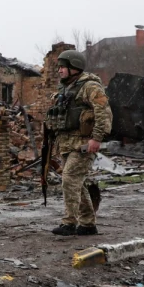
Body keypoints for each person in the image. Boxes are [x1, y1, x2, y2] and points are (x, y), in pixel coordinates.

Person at [44, 50, 112, 236]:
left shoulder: (90, 87)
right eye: (59, 67)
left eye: (63, 67)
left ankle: (69, 222)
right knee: (76, 183)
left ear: (74, 67)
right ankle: (88, 224)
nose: (59, 70)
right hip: (66, 142)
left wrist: (97, 138)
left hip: (83, 142)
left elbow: (103, 112)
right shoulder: (65, 88)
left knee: (69, 179)